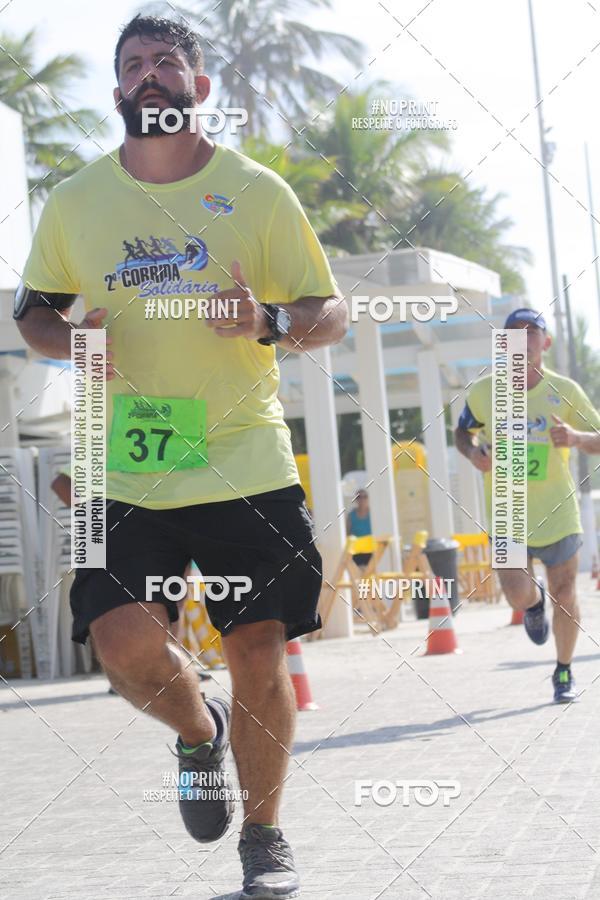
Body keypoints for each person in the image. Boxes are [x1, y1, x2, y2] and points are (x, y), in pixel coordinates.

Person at [15, 15, 347, 899]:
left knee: (259, 647)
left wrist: (271, 322)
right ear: (118, 93)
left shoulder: (259, 192)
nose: (151, 76)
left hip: (245, 455)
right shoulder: (77, 201)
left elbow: (331, 312)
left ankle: (265, 838)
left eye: (169, 63)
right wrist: (70, 336)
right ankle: (199, 732)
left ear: (199, 88)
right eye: (133, 66)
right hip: (120, 459)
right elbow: (33, 313)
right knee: (123, 646)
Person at [455, 308, 600, 703]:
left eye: (531, 331)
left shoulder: (565, 390)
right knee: (519, 594)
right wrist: (473, 454)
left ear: (545, 342)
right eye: (513, 333)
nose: (522, 338)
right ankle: (533, 605)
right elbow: (462, 433)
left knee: (566, 591)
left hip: (558, 510)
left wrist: (574, 437)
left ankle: (564, 671)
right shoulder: (484, 392)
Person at [346, 488, 372, 568]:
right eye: (359, 497)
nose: (362, 499)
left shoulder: (373, 514)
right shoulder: (351, 515)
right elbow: (347, 533)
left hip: (371, 550)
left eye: (364, 497)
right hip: (357, 551)